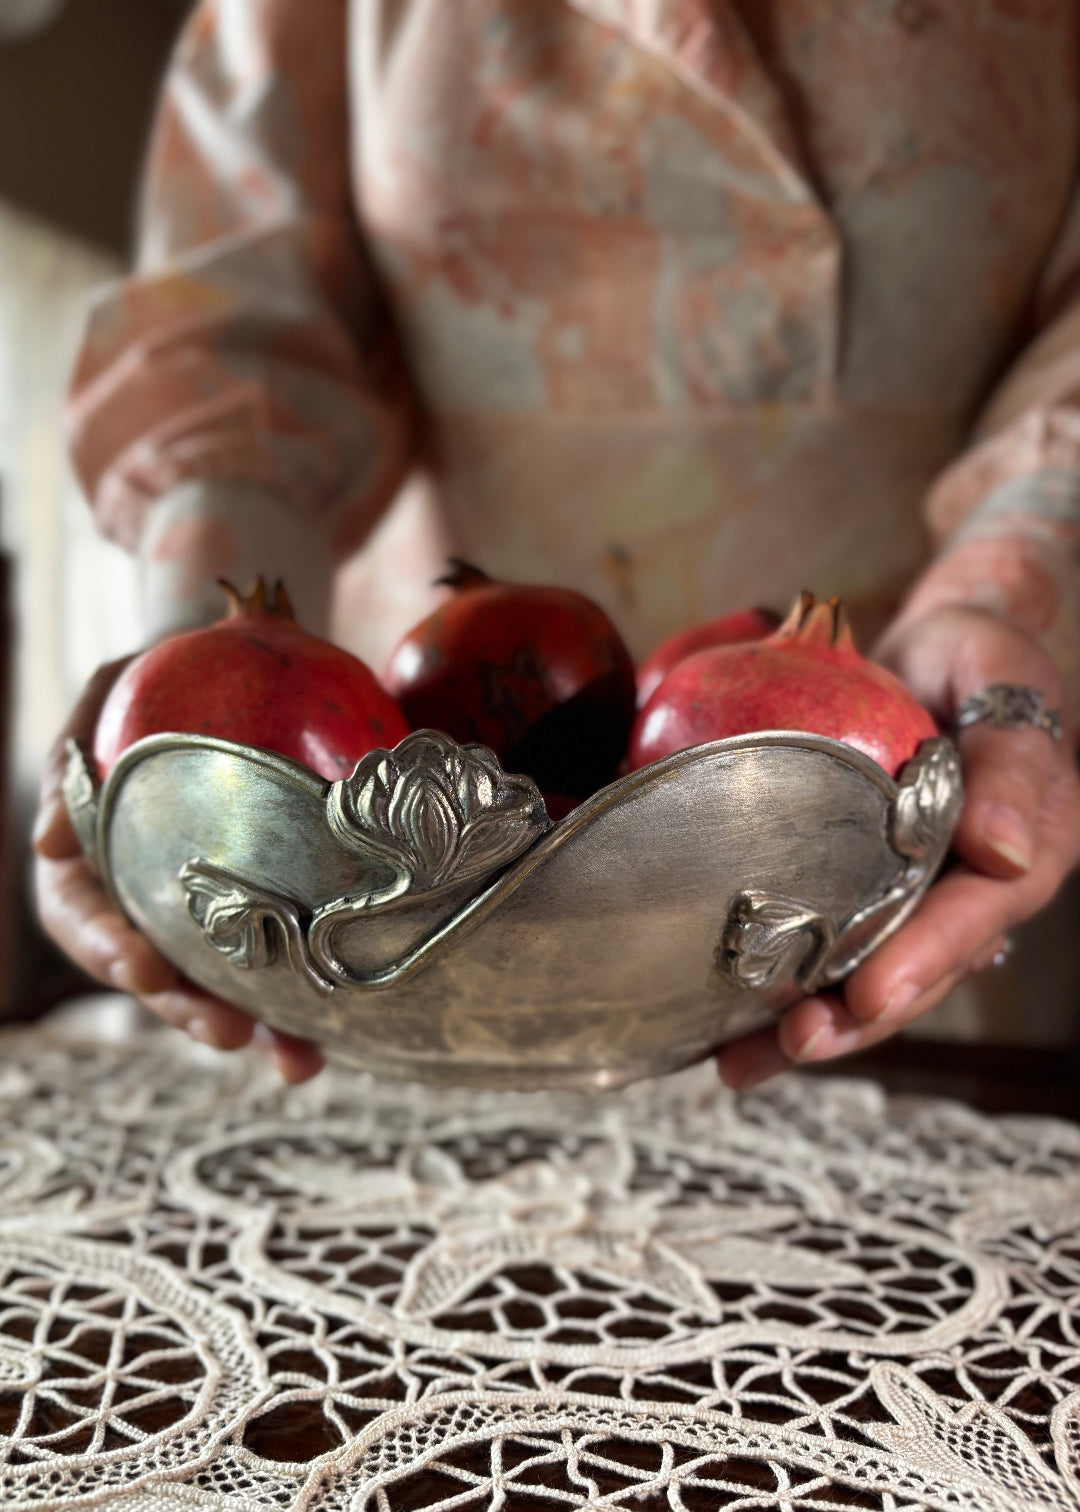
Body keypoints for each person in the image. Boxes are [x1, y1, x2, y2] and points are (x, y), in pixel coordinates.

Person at [33, 0, 1080, 1086]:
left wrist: (1008, 602)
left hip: (880, 822)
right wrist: (182, 713)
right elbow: (237, 314)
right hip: (387, 808)